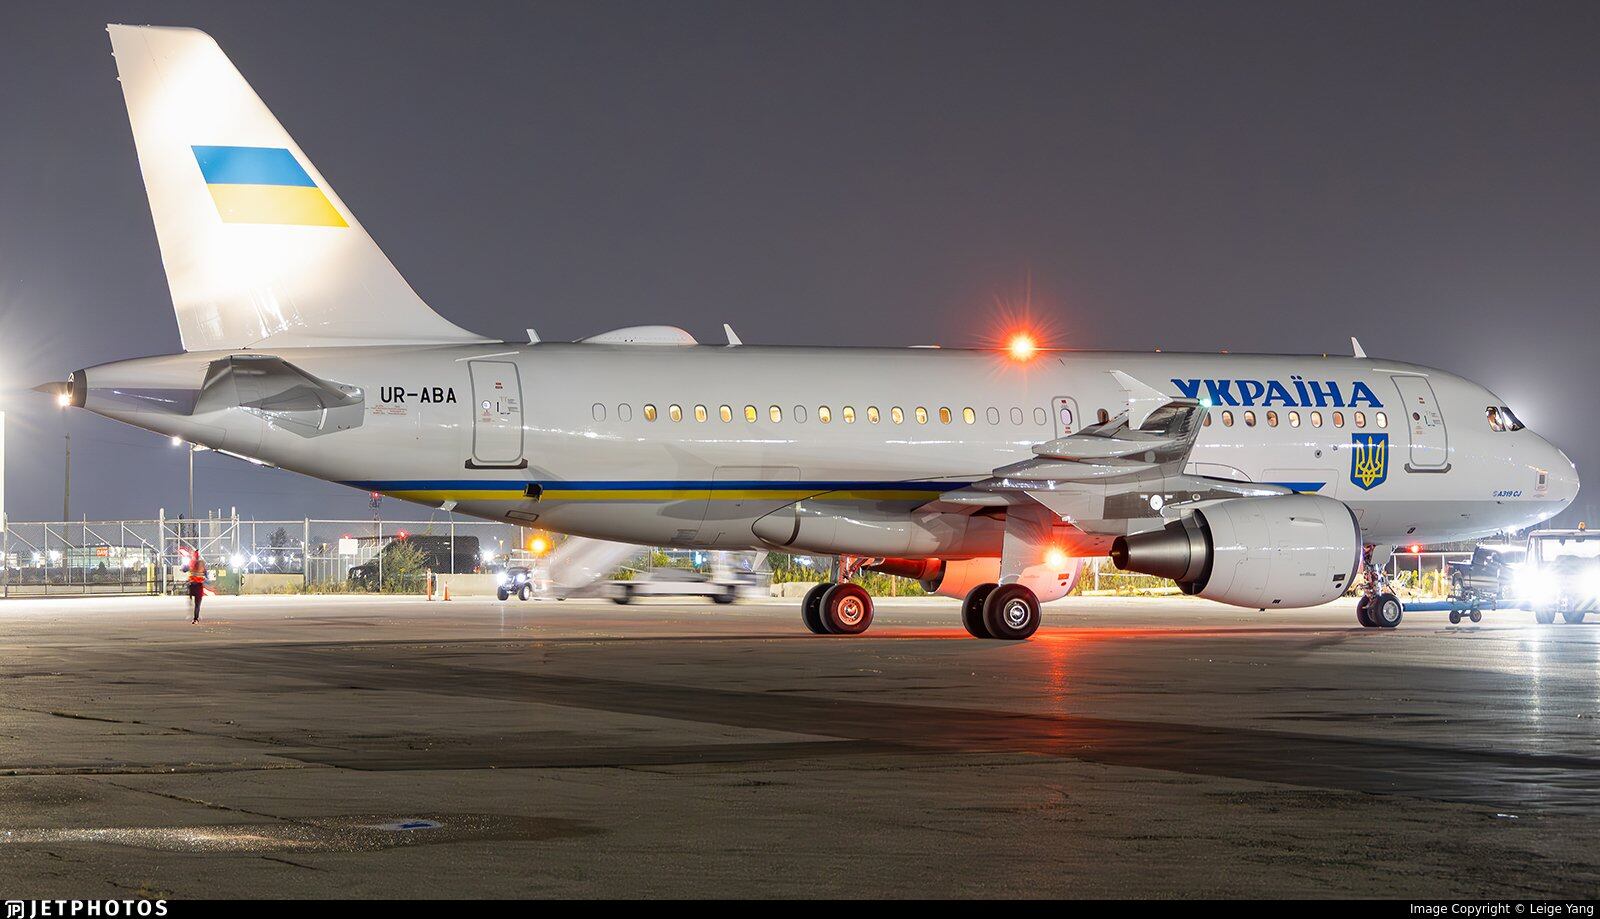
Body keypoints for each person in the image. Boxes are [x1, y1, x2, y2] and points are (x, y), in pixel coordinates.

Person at [183, 549, 207, 623]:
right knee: (197, 604)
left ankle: (192, 611)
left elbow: (184, 569)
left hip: (192, 585)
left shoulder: (191, 563)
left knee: (191, 600)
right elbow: (206, 574)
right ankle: (196, 618)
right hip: (199, 586)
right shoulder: (202, 564)